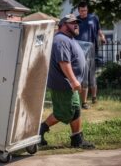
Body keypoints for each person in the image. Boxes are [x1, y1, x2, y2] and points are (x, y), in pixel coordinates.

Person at [39, 14, 95, 149]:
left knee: (75, 110)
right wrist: (74, 81)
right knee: (63, 112)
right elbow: (64, 63)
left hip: (68, 84)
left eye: (77, 22)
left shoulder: (68, 39)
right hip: (63, 84)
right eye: (72, 22)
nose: (76, 24)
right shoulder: (60, 40)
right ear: (63, 25)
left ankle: (77, 139)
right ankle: (39, 132)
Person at [75, 0, 106, 109]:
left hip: (92, 49)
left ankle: (94, 97)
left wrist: (102, 37)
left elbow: (99, 30)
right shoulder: (75, 21)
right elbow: (72, 34)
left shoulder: (94, 18)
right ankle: (84, 102)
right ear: (78, 10)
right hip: (80, 51)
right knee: (83, 76)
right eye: (82, 11)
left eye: (85, 10)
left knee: (92, 75)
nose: (84, 12)